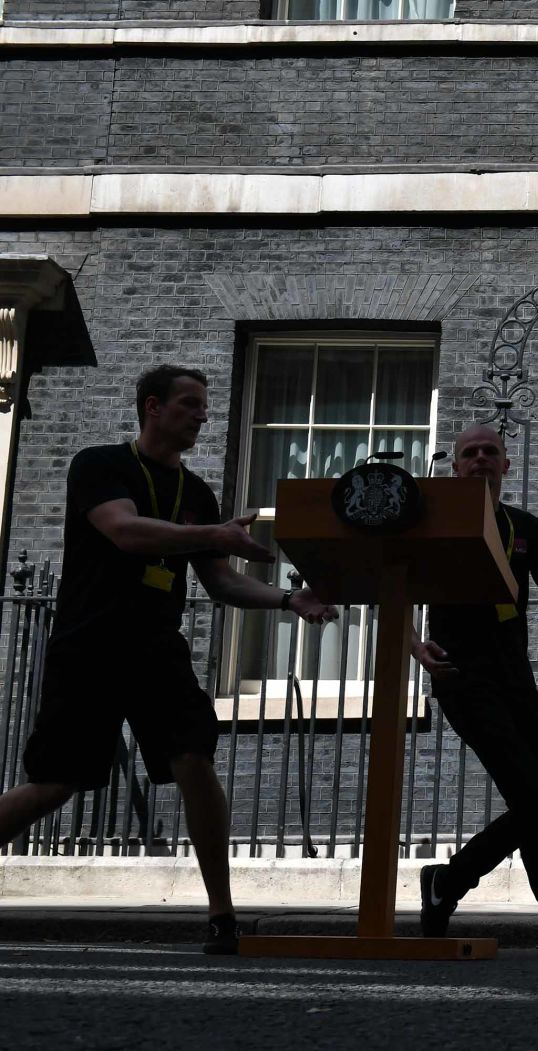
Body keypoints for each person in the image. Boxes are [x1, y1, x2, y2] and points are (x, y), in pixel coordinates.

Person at [0, 365, 338, 954]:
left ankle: (222, 914)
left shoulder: (198, 494)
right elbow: (126, 532)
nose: (202, 415)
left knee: (194, 759)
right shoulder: (101, 465)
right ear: (152, 406)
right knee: (55, 784)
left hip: (157, 648)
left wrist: (289, 599)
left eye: (205, 406)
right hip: (90, 646)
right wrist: (211, 536)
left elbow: (225, 586)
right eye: (190, 404)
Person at [411, 424, 538, 958]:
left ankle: (448, 882)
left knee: (533, 799)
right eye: (469, 453)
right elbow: (394, 584)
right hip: (459, 673)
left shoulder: (524, 525)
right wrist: (412, 645)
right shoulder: (435, 523)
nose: (479, 459)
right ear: (456, 469)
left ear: (506, 465)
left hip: (515, 673)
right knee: (532, 797)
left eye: (490, 452)